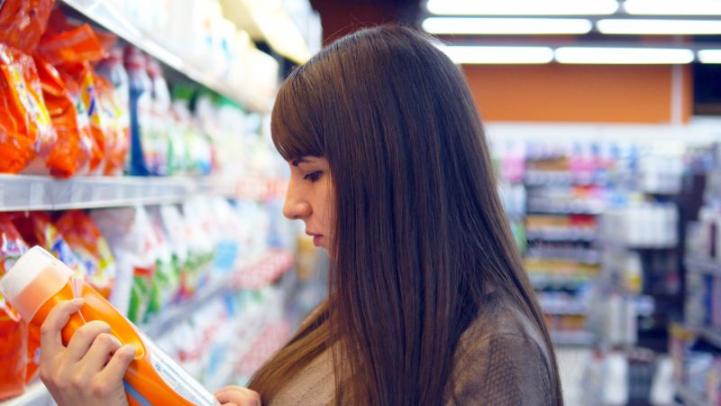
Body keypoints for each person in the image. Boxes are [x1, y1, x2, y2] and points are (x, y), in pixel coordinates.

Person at [38, 26, 563, 405]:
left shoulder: (493, 354)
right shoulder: (368, 308)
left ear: (393, 169)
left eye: (312, 174)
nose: (292, 205)